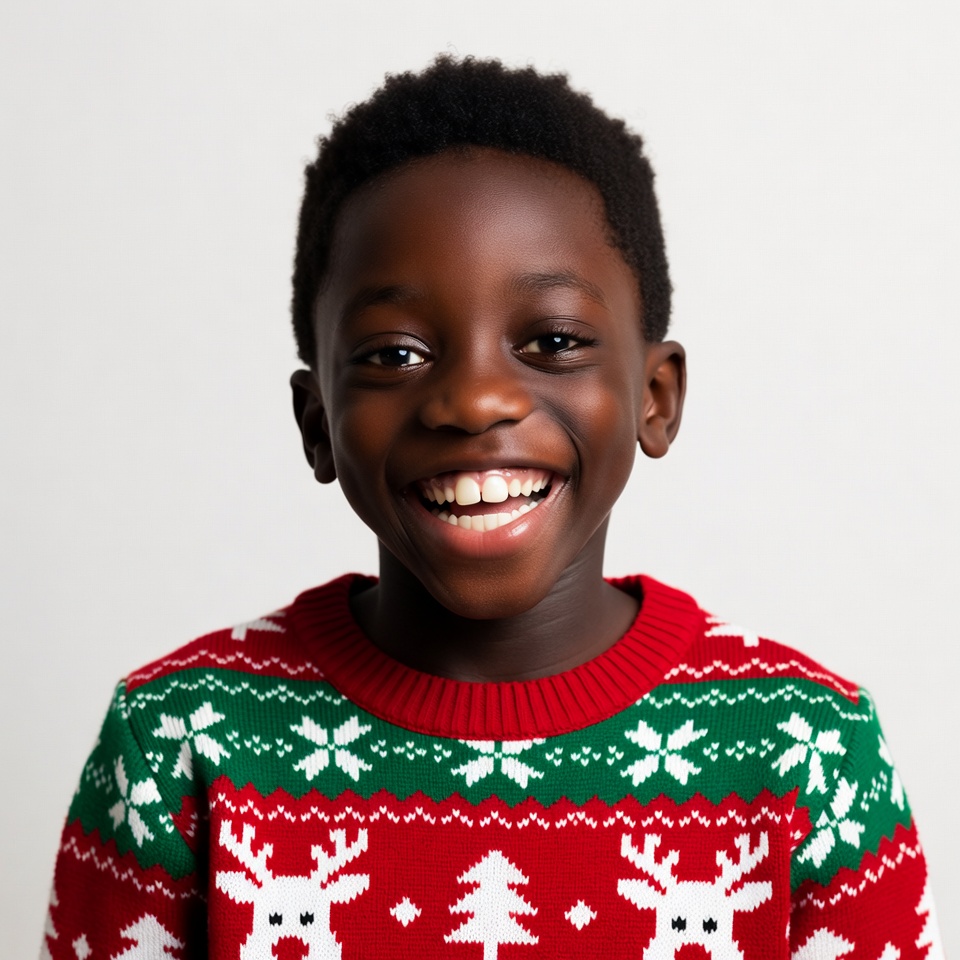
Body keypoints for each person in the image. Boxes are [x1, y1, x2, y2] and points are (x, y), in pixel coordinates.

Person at [41, 56, 942, 959]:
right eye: (395, 354)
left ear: (656, 397)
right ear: (317, 423)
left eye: (552, 341)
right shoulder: (178, 741)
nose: (474, 402)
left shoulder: (810, 753)